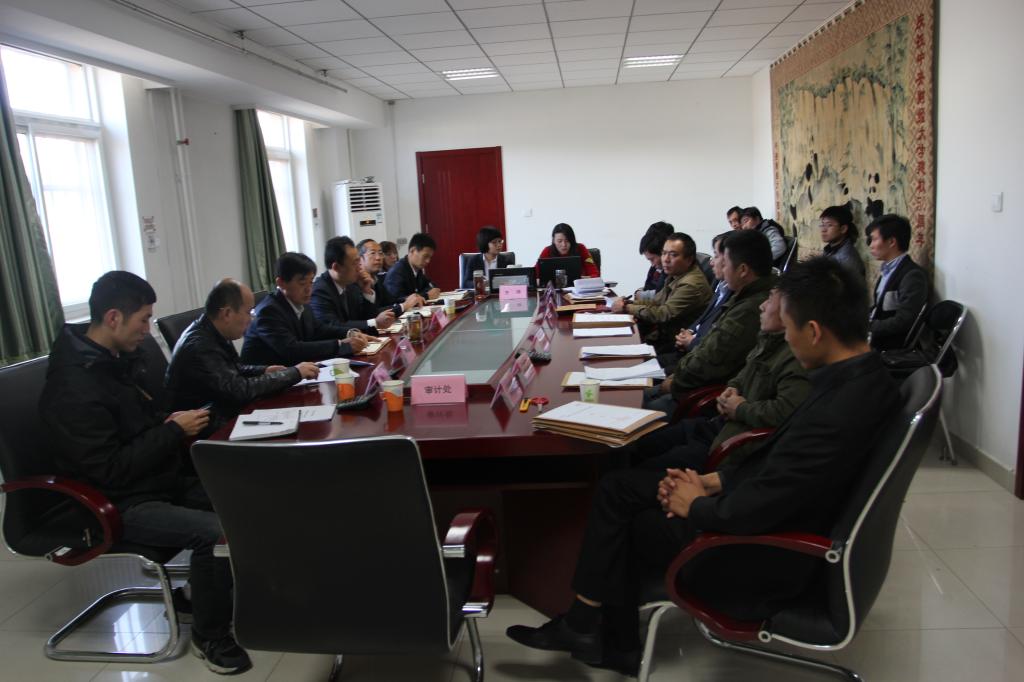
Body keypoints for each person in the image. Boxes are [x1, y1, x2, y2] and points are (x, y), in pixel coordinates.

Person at [505, 257, 898, 676]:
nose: (787, 337)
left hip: (761, 554)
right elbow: (787, 471)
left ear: (814, 332)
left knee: (629, 516)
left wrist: (696, 505)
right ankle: (588, 627)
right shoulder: (860, 380)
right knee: (618, 487)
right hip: (758, 508)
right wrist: (714, 481)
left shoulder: (838, 410)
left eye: (789, 328)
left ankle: (606, 639)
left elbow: (772, 498)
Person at [39, 271, 251, 674]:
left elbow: (133, 427)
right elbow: (108, 469)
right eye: (144, 319)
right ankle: (210, 636)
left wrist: (167, 423)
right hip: (114, 501)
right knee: (216, 532)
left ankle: (202, 593)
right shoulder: (74, 386)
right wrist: (171, 432)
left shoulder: (113, 360)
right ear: (114, 317)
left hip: (151, 478)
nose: (147, 329)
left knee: (239, 496)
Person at [626, 285, 810, 473]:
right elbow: (743, 373)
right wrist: (732, 388)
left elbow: (783, 412)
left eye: (770, 300)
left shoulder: (797, 358)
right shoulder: (768, 338)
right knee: (641, 444)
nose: (762, 306)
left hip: (731, 441)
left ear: (790, 311)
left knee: (638, 468)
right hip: (719, 423)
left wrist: (740, 409)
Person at [645, 230, 774, 412]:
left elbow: (711, 359)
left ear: (743, 270)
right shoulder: (740, 294)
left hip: (700, 392)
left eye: (722, 260)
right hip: (692, 373)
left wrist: (675, 380)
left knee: (638, 402)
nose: (714, 263)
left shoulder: (748, 309)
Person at [166, 278, 318, 432]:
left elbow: (234, 369)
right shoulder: (200, 346)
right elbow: (239, 390)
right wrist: (294, 373)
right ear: (227, 313)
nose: (251, 319)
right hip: (205, 429)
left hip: (223, 412)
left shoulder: (213, 330)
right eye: (248, 312)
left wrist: (264, 370)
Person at [241, 252, 369, 365]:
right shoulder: (268, 311)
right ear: (281, 283)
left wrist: (350, 333)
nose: (309, 289)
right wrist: (340, 344)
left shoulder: (302, 303)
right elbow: (291, 349)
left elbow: (318, 329)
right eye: (302, 283)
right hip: (267, 379)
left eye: (311, 282)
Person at [610, 232, 712, 356]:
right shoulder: (676, 275)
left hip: (676, 345)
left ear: (689, 259)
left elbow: (663, 314)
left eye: (673, 255)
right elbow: (656, 301)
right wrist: (628, 303)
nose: (666, 259)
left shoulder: (690, 284)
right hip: (664, 337)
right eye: (664, 253)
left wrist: (627, 308)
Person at [866, 214, 929, 351]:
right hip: (876, 338)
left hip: (891, 346)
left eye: (874, 239)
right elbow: (879, 307)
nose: (871, 245)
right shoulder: (887, 269)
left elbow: (905, 321)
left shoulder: (912, 275)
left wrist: (867, 325)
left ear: (891, 242)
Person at [669, 232, 732, 365]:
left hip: (698, 360)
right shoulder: (721, 284)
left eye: (716, 256)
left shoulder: (734, 294)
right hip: (689, 351)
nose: (711, 262)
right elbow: (703, 317)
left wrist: (691, 341)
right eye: (664, 253)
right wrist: (688, 332)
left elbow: (665, 312)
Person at [311, 236, 396, 334]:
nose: (359, 267)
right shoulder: (320, 291)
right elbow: (332, 325)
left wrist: (366, 292)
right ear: (336, 267)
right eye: (354, 263)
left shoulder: (351, 285)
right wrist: (375, 322)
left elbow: (363, 318)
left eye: (359, 261)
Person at [357, 238, 425, 314]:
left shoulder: (377, 279)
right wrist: (403, 306)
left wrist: (409, 299)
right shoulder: (355, 283)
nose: (378, 258)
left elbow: (391, 302)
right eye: (373, 253)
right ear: (360, 259)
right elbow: (371, 314)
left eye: (380, 253)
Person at [383, 232, 442, 302]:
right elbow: (397, 302)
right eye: (425, 256)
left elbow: (430, 285)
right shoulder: (396, 272)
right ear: (412, 250)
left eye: (430, 257)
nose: (428, 261)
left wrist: (428, 292)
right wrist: (426, 295)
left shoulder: (417, 269)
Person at [820, 205, 865, 279]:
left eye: (829, 225)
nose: (823, 230)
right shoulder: (830, 250)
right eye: (822, 225)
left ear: (843, 229)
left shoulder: (846, 258)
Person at [637, 222, 674, 293]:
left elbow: (662, 295)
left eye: (652, 259)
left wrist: (641, 295)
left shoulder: (673, 272)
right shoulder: (655, 268)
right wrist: (639, 292)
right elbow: (648, 287)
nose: (652, 264)